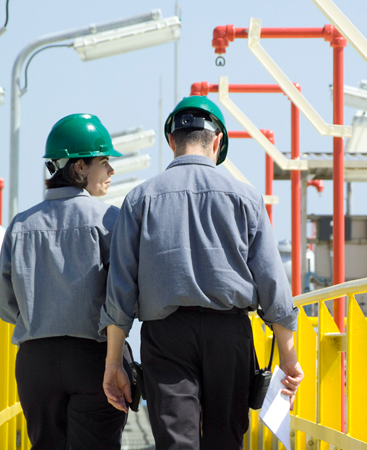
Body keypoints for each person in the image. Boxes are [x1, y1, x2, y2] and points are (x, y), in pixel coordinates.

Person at [100, 96, 304, 449]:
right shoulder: (246, 198)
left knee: (176, 441)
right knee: (226, 439)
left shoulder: (139, 199)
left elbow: (120, 290)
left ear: (171, 142)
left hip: (166, 337)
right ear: (217, 141)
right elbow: (273, 285)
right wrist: (288, 358)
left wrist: (114, 362)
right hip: (230, 333)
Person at [0, 113, 127, 449]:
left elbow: (2, 302)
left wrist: (39, 319)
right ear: (79, 168)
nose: (111, 170)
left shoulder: (20, 225)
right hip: (94, 357)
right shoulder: (109, 220)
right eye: (104, 161)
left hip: (35, 364)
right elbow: (123, 297)